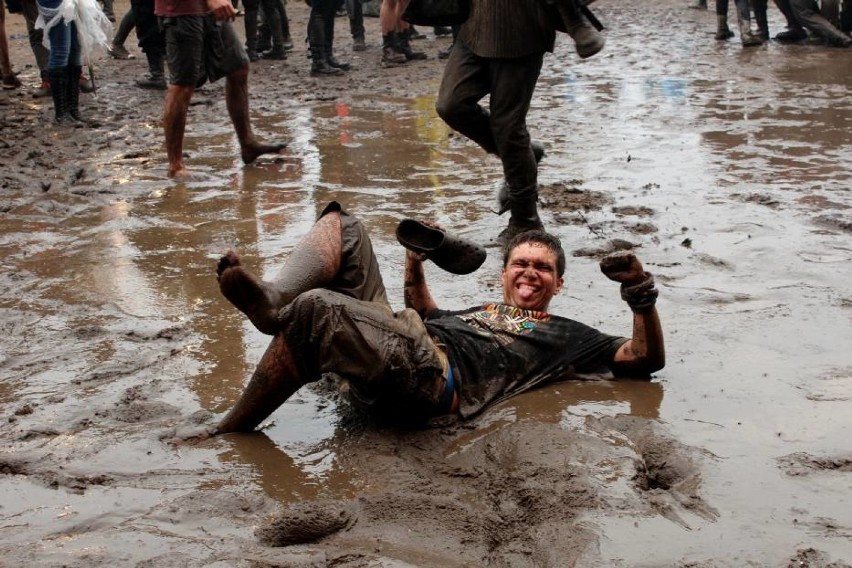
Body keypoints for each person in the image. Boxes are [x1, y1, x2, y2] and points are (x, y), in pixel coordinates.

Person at [198, 201, 664, 436]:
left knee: (319, 308)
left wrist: (639, 296)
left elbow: (642, 359)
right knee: (346, 224)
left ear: (558, 285)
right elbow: (422, 313)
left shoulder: (566, 334)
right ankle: (273, 300)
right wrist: (415, 260)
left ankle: (231, 428)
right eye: (520, 263)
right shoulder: (479, 311)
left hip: (434, 377)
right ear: (504, 274)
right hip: (407, 334)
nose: (529, 273)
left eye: (542, 268)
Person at [435, 0, 603, 244]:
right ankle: (524, 155)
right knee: (451, 105)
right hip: (474, 25)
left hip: (523, 29)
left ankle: (525, 219)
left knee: (508, 125)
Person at [156, 0, 287, 177]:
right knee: (183, 85)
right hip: (182, 12)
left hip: (208, 11)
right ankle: (176, 165)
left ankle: (247, 144)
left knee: (238, 67)